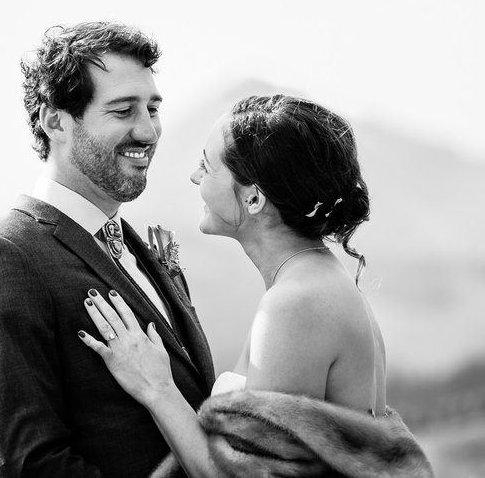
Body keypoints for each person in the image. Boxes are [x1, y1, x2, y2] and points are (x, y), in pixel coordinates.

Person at [79, 95, 433, 477]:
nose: (195, 177)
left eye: (207, 165)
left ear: (252, 197)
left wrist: (156, 388)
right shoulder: (320, 281)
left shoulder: (297, 303)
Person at [0, 22, 215, 477]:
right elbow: (34, 466)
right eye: (123, 110)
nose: (148, 132)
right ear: (56, 121)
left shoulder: (137, 245)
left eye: (152, 108)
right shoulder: (3, 257)